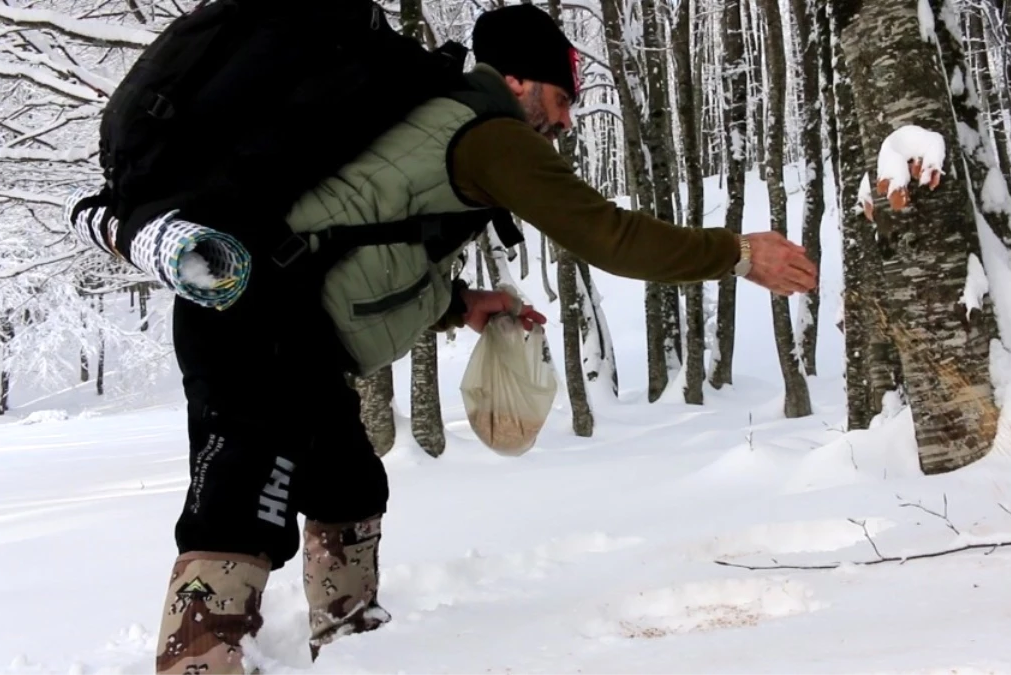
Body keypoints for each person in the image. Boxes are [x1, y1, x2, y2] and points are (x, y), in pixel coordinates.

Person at [147, 4, 817, 674]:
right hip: (248, 315)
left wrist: (463, 305)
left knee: (349, 487)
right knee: (242, 502)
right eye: (560, 100)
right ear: (519, 81)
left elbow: (366, 244)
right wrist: (736, 254)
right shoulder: (486, 133)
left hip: (293, 330)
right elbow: (607, 235)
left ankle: (355, 648)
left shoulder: (446, 124)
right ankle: (196, 662)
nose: (563, 122)